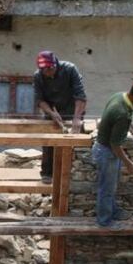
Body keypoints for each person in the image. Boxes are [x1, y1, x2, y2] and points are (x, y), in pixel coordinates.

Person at [93, 74, 133, 228]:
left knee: (112, 186)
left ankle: (113, 211)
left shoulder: (120, 96)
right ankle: (105, 221)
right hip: (106, 152)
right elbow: (115, 144)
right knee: (106, 188)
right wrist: (129, 164)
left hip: (105, 149)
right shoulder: (123, 112)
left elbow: (113, 120)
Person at [33, 51, 87, 184]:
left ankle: (73, 174)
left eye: (50, 69)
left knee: (75, 143)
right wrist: (51, 113)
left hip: (73, 110)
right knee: (48, 143)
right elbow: (39, 100)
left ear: (54, 65)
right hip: (52, 111)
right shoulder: (38, 76)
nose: (47, 73)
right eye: (44, 70)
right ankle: (47, 174)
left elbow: (80, 95)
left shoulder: (69, 69)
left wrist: (76, 118)